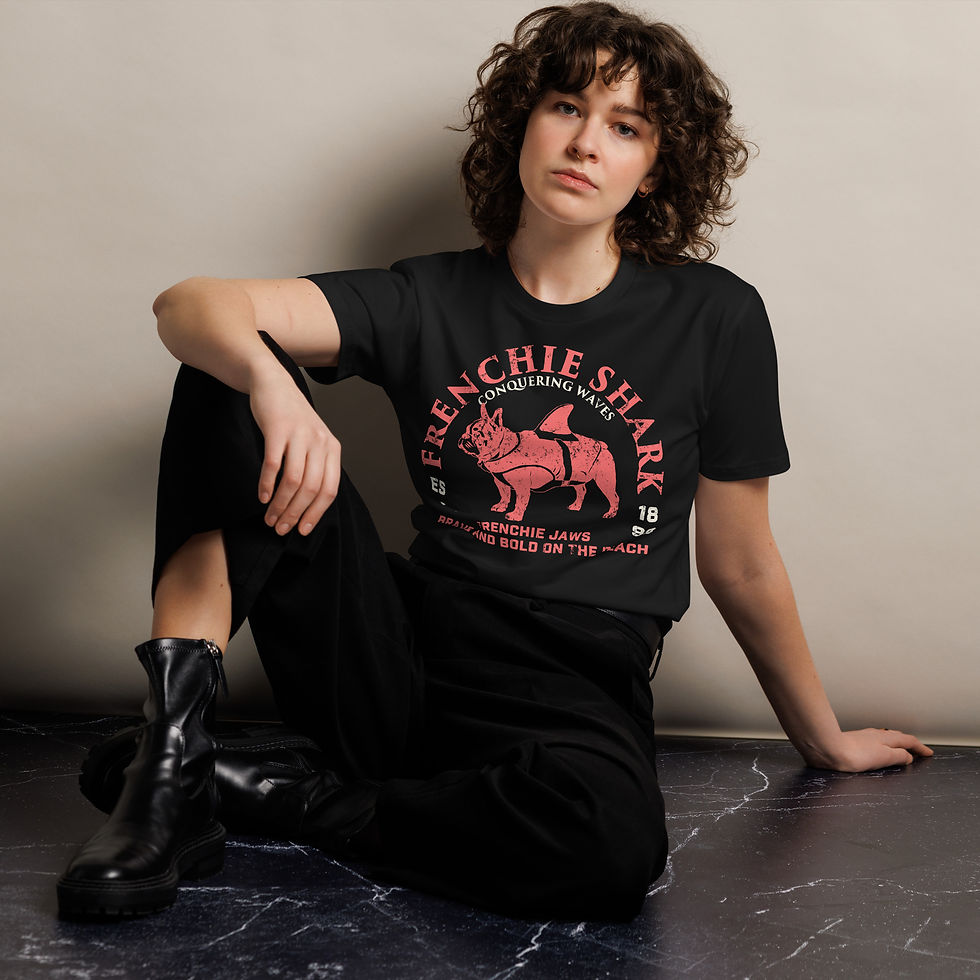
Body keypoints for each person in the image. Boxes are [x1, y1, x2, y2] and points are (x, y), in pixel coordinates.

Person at [57, 1, 932, 922]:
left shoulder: (714, 317)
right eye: (567, 107)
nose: (586, 142)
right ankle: (169, 766)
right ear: (523, 123)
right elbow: (189, 305)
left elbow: (741, 561)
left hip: (571, 674)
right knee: (223, 372)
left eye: (626, 126)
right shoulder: (428, 295)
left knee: (606, 846)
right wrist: (271, 384)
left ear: (655, 167)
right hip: (399, 652)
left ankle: (279, 795)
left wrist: (821, 738)